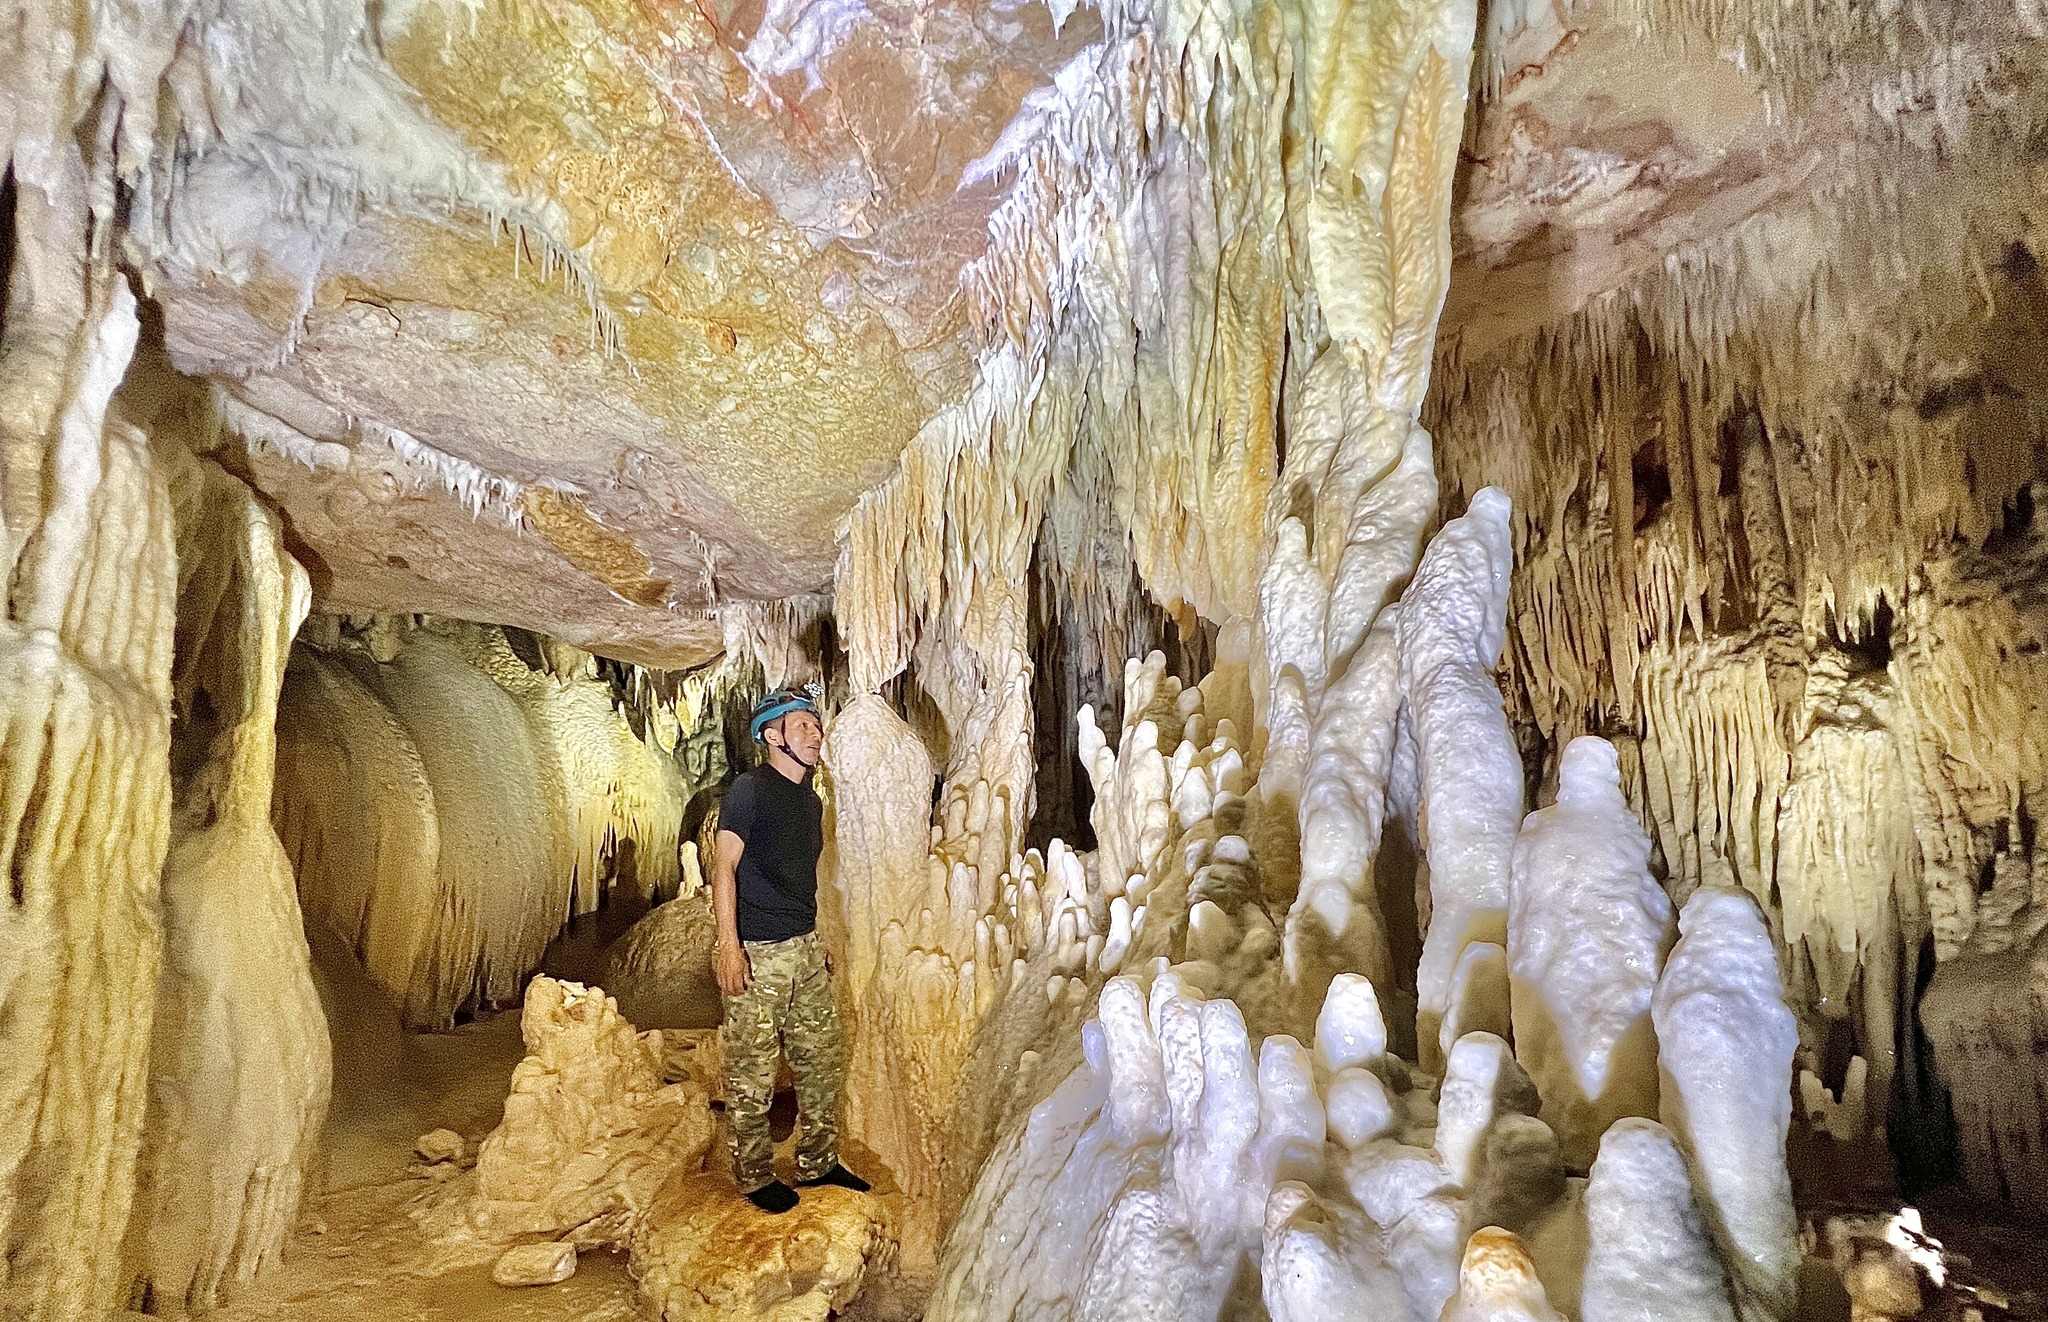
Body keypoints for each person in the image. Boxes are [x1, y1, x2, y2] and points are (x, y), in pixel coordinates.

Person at [712, 688, 870, 1213]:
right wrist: (729, 948)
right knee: (752, 1069)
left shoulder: (810, 801)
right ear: (772, 734)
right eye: (802, 725)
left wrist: (815, 939)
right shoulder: (749, 790)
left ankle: (817, 1161)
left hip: (802, 949)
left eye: (817, 726)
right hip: (758, 949)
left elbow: (803, 879)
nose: (815, 734)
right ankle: (754, 1176)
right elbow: (724, 869)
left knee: (823, 1056)